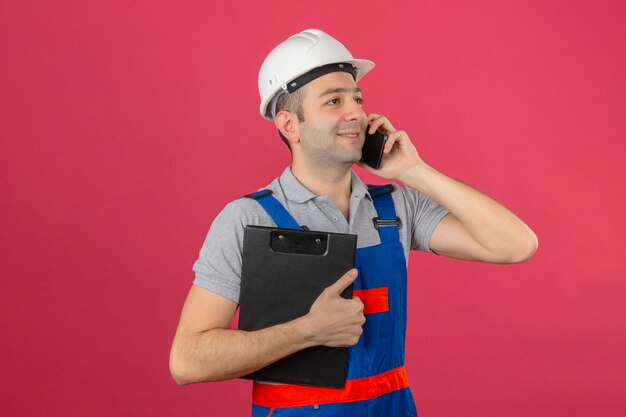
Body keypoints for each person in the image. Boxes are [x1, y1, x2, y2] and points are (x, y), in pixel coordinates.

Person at [169, 29, 538, 416]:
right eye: (334, 101)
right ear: (289, 125)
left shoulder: (395, 207)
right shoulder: (248, 219)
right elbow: (188, 361)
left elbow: (516, 244)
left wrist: (414, 171)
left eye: (357, 98)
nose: (357, 113)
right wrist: (305, 331)